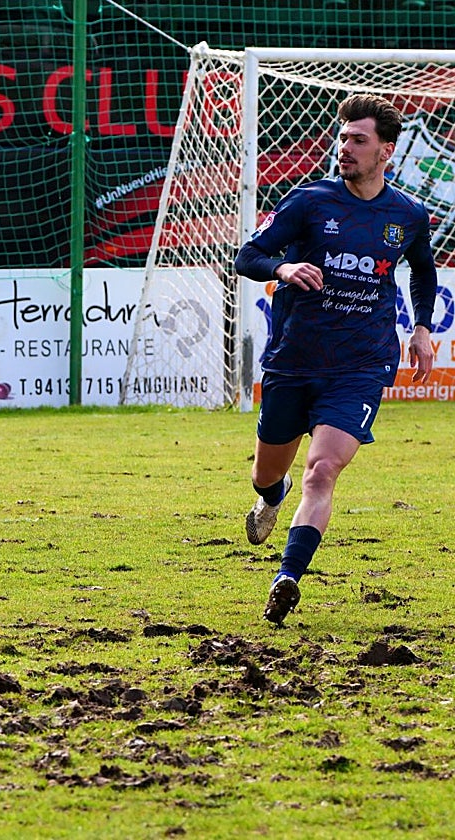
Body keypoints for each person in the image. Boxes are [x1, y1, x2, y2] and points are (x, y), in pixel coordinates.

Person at [233, 94, 437, 626]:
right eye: (342, 138)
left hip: (362, 365)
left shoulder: (409, 214)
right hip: (294, 360)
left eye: (358, 140)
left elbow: (423, 272)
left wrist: (418, 328)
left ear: (385, 151)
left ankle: (287, 578)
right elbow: (247, 256)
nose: (345, 148)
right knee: (266, 474)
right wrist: (283, 270)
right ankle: (269, 497)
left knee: (322, 470)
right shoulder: (309, 202)